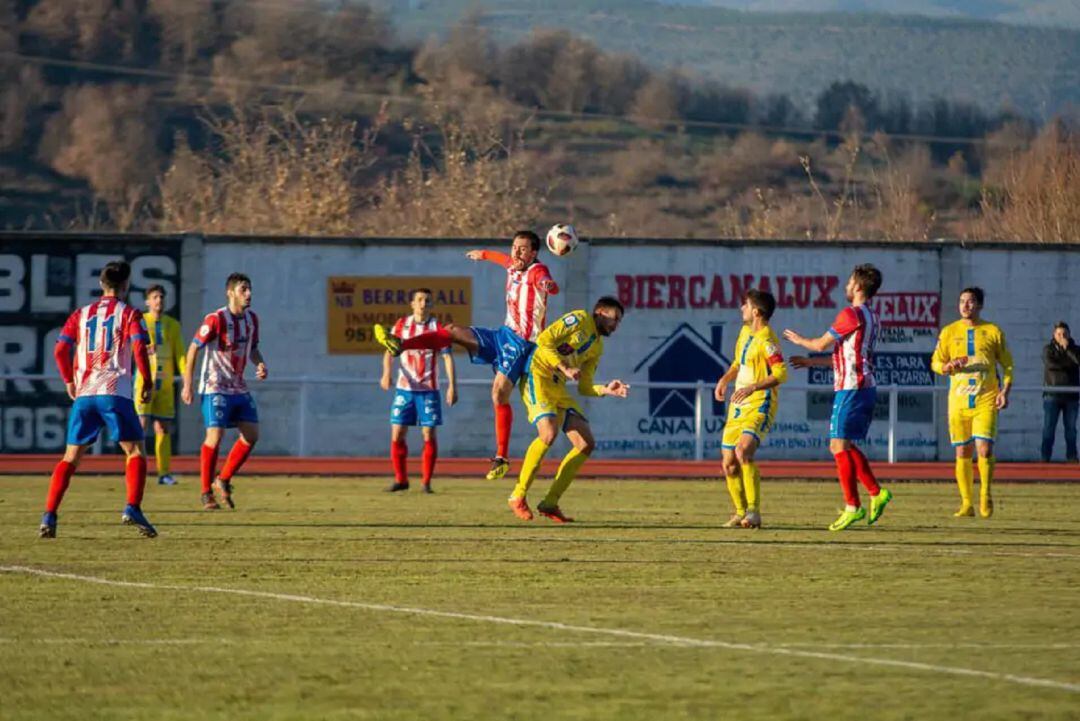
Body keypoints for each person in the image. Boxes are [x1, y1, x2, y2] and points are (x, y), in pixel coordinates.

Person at [373, 230, 558, 481]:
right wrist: (482, 254)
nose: (516, 252)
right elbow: (501, 258)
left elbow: (545, 280)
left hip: (522, 343)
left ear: (534, 253)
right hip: (502, 335)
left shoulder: (537, 271)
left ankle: (501, 457)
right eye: (514, 247)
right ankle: (401, 344)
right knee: (452, 331)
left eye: (523, 249)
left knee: (498, 392)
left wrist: (549, 284)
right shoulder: (512, 265)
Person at [39, 260, 157, 538]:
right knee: (136, 451)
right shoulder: (130, 313)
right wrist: (148, 382)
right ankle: (132, 507)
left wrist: (69, 380)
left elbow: (59, 350)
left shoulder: (81, 314)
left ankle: (49, 515)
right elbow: (140, 347)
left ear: (101, 285)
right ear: (126, 285)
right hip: (115, 393)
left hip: (85, 394)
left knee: (70, 457)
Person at [784, 263, 893, 532]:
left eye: (848, 282)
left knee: (837, 446)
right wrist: (812, 364)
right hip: (862, 386)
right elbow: (846, 357)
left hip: (852, 388)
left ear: (857, 287)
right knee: (842, 444)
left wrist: (799, 340)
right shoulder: (871, 317)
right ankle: (876, 492)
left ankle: (852, 507)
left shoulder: (850, 314)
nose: (845, 286)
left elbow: (821, 343)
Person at [507, 296, 630, 523]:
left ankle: (550, 502)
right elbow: (544, 340)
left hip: (558, 386)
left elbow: (584, 387)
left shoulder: (597, 347)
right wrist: (564, 368)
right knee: (548, 433)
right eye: (615, 318)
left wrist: (606, 389)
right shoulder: (580, 318)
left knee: (586, 443)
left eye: (619, 322)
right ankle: (518, 495)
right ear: (600, 312)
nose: (616, 325)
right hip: (538, 375)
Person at [181, 273, 267, 510]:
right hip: (214, 385)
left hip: (238, 386)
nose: (248, 294)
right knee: (215, 437)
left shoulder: (252, 320)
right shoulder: (216, 319)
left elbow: (253, 349)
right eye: (243, 290)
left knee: (252, 435)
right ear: (230, 293)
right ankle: (206, 491)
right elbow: (192, 349)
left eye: (249, 289)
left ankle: (223, 479)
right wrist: (188, 384)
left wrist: (259, 363)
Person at [931, 287, 1014, 518]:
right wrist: (946, 367)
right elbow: (936, 362)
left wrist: (1004, 391)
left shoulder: (992, 331)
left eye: (970, 302)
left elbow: (1007, 365)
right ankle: (967, 503)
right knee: (962, 451)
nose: (965, 305)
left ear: (980, 305)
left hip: (986, 398)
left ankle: (985, 493)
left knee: (984, 449)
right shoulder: (949, 332)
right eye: (962, 301)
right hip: (958, 401)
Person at [713, 290, 788, 529]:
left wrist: (753, 387)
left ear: (756, 311)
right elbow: (738, 363)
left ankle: (754, 512)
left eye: (745, 305)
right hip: (738, 405)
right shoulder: (745, 332)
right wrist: (724, 380)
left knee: (743, 450)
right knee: (728, 463)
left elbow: (780, 374)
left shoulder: (768, 341)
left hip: (760, 403)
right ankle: (740, 512)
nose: (741, 309)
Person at [380, 288, 458, 493]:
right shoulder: (402, 325)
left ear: (431, 305)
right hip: (404, 388)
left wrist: (452, 385)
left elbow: (447, 357)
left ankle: (426, 482)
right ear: (412, 304)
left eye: (427, 301)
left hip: (428, 389)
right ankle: (401, 479)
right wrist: (386, 373)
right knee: (397, 432)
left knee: (428, 433)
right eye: (420, 300)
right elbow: (389, 351)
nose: (423, 304)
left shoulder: (436, 328)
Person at [134, 284, 187, 486]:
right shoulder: (140, 321)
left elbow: (180, 353)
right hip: (144, 382)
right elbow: (131, 347)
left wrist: (185, 378)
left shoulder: (172, 325)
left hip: (164, 383)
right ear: (147, 301)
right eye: (155, 297)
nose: (159, 300)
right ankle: (136, 470)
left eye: (162, 297)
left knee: (163, 428)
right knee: (140, 427)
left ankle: (164, 473)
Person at [1041, 321, 1080, 463]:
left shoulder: (1075, 349)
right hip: (1052, 395)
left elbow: (1077, 361)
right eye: (1059, 334)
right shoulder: (1048, 349)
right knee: (1048, 429)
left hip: (1071, 396)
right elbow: (1051, 365)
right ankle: (1045, 458)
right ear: (1054, 335)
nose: (1062, 336)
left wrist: (1068, 349)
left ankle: (1072, 457)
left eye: (1064, 334)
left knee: (1071, 430)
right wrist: (1069, 364)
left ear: (1069, 335)